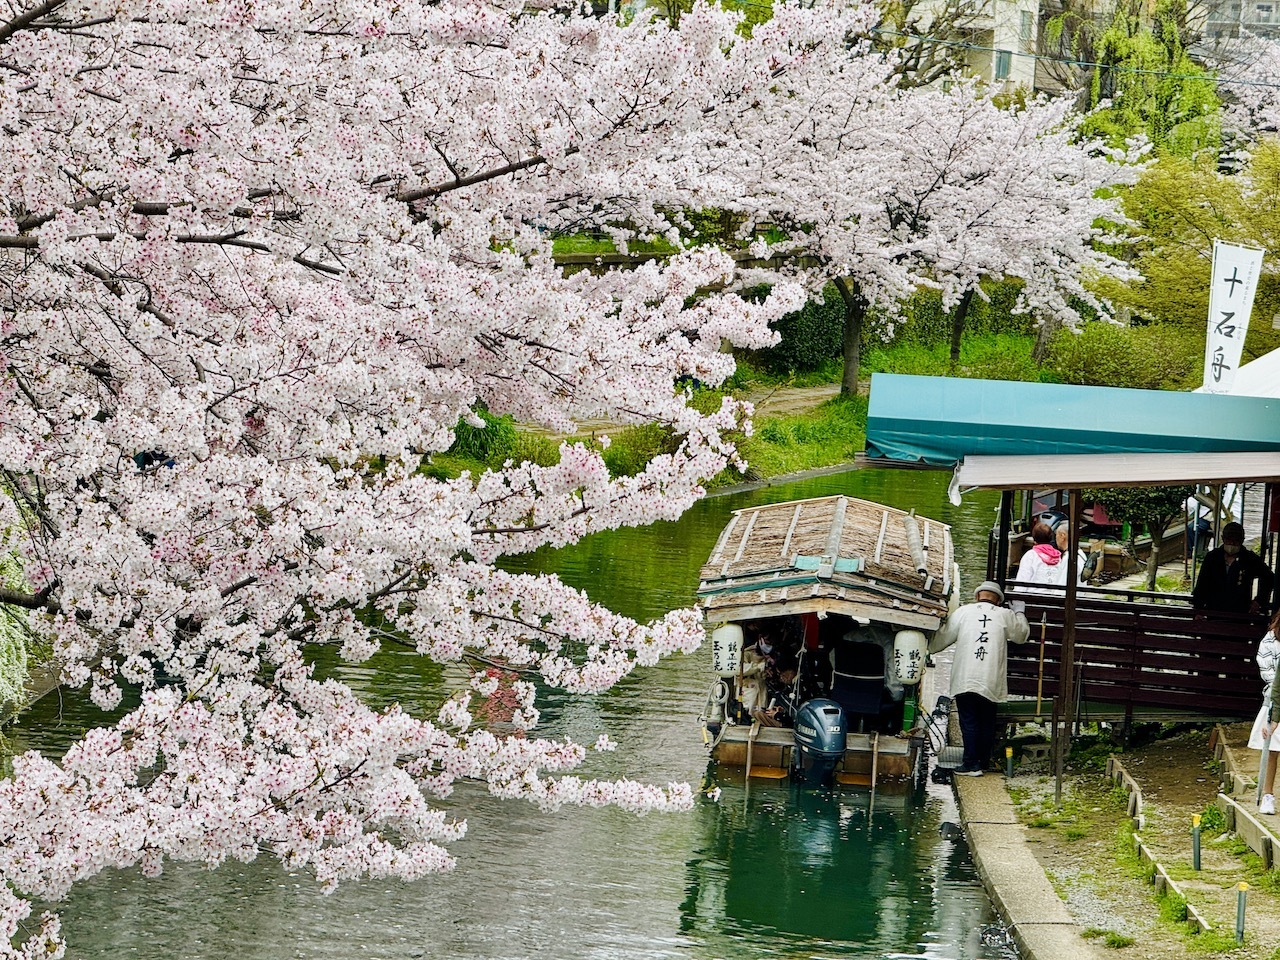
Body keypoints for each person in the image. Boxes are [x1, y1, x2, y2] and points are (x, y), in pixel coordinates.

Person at [929, 581, 1030, 776]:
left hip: (965, 676)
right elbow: (1022, 634)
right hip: (990, 678)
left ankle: (970, 764)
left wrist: (927, 645)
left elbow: (940, 640)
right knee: (986, 720)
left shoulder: (962, 612)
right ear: (999, 601)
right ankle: (982, 761)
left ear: (977, 597)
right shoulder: (1004, 615)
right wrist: (1019, 612)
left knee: (969, 720)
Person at [1192, 521, 1274, 616]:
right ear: (1223, 539)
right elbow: (1202, 583)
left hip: (1240, 611)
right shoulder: (1213, 557)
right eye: (1229, 540)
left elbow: (1269, 578)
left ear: (1242, 541)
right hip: (1214, 610)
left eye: (1236, 541)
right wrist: (1198, 609)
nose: (1232, 543)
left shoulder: (1249, 559)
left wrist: (1259, 601)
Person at [1249, 609, 1280, 815]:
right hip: (1276, 699)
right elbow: (1270, 673)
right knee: (1273, 747)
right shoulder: (1271, 639)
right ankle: (1268, 794)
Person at [738, 625, 794, 726]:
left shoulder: (775, 655)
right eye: (768, 641)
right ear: (761, 638)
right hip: (749, 692)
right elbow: (739, 670)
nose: (770, 645)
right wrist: (760, 666)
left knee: (760, 714)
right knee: (748, 715)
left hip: (763, 694)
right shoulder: (747, 653)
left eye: (772, 642)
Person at [1010, 521, 1062, 612]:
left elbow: (1022, 582)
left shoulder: (1030, 555)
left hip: (1033, 602)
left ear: (1034, 538)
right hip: (1054, 602)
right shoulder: (1059, 557)